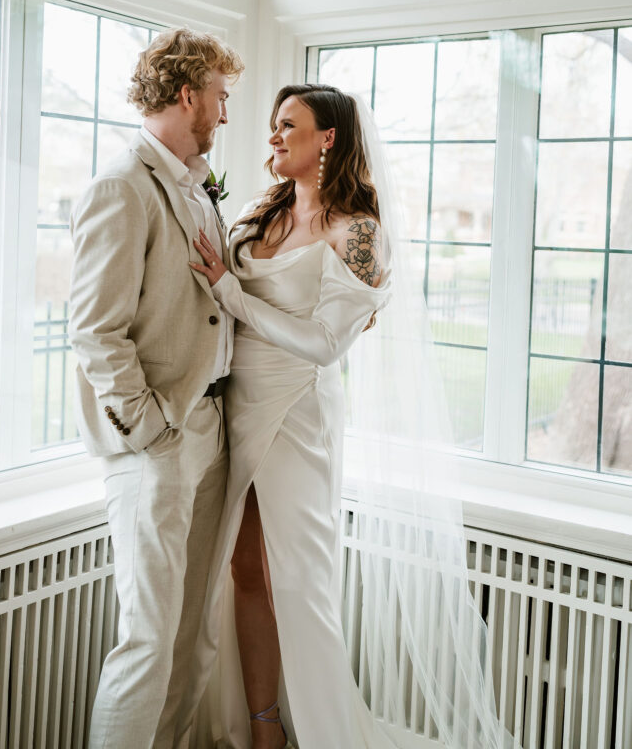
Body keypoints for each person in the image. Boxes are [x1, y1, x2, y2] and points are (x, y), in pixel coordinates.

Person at [183, 83, 513, 749]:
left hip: (295, 414)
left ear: (326, 137)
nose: (272, 138)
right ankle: (261, 725)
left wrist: (228, 290)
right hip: (233, 408)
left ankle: (324, 729)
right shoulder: (258, 209)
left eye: (287, 126)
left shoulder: (357, 231)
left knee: (298, 582)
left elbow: (325, 343)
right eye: (273, 127)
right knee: (243, 572)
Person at [68, 26, 244, 749]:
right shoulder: (120, 186)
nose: (225, 115)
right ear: (186, 95)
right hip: (159, 441)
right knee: (147, 641)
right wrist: (150, 431)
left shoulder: (196, 186)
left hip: (212, 428)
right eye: (220, 98)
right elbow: (95, 330)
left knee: (193, 633)